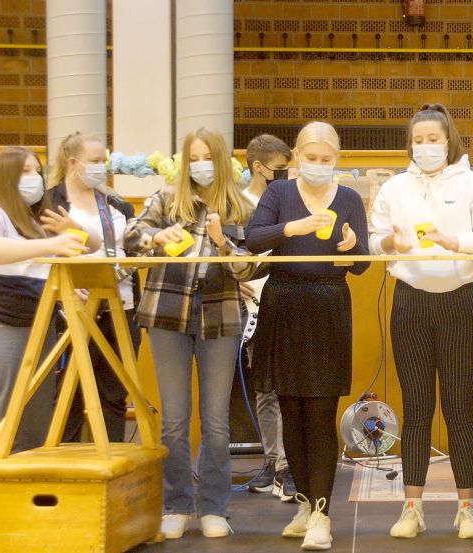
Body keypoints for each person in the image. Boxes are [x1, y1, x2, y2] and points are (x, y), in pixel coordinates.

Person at [369, 104, 473, 539]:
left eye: (434, 139)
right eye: (419, 140)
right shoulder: (394, 188)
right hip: (409, 303)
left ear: (449, 141)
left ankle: (467, 507)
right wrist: (391, 240)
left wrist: (456, 241)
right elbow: (376, 243)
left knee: (460, 408)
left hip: (460, 303)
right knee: (416, 409)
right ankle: (412, 507)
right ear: (410, 144)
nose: (426, 147)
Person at [124, 127, 256, 540]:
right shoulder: (166, 199)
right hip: (167, 315)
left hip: (221, 317)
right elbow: (130, 236)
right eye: (192, 157)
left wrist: (221, 245)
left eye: (206, 156)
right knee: (175, 420)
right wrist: (154, 236)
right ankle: (177, 504)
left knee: (217, 421)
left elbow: (248, 269)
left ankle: (215, 507)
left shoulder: (241, 207)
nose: (199, 164)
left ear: (220, 161)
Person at [0, 147, 86, 553]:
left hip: (39, 329)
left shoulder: (36, 221)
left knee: (33, 429)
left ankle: (22, 513)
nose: (34, 177)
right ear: (6, 176)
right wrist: (47, 247)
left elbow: (52, 268)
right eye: (25, 170)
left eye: (37, 170)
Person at [246, 121, 370, 551]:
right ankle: (302, 503)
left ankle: (322, 513)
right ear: (297, 155)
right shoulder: (279, 194)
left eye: (326, 159)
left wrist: (352, 245)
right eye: (311, 157)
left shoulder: (350, 198)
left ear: (337, 159)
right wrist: (291, 230)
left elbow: (363, 264)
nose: (318, 165)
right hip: (283, 303)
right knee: (290, 410)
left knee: (319, 414)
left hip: (328, 304)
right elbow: (252, 238)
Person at [46, 132, 141, 443]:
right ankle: (66, 471)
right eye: (95, 162)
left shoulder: (116, 204)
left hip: (120, 304)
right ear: (73, 164)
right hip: (70, 307)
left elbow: (132, 247)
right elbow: (40, 255)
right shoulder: (50, 202)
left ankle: (112, 465)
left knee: (114, 392)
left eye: (105, 161)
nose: (102, 167)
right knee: (68, 394)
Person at [241, 133, 295, 500]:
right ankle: (272, 458)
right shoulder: (238, 204)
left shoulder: (291, 200)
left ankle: (290, 463)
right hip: (250, 304)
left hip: (285, 299)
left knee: (290, 386)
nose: (285, 174)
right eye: (279, 168)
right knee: (264, 389)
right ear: (258, 167)